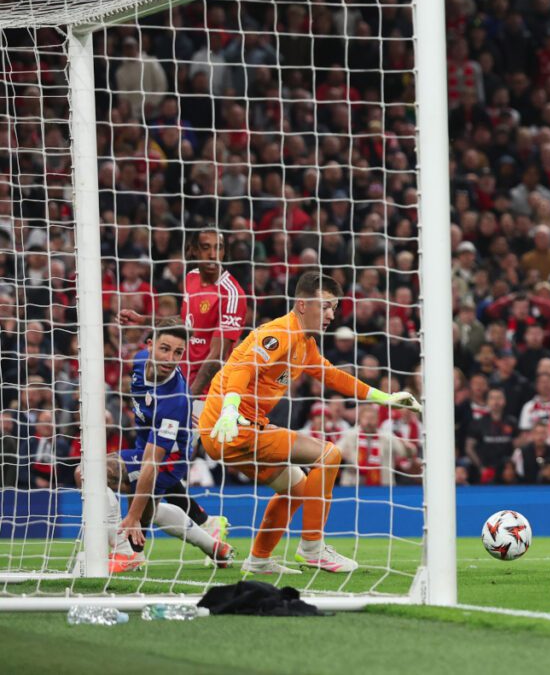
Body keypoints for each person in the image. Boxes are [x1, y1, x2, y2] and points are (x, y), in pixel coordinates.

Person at [199, 272, 421, 576]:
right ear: (302, 304)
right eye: (325, 306)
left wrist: (385, 398)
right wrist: (230, 408)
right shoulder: (280, 333)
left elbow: (332, 376)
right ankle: (312, 548)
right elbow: (241, 368)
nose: (331, 314)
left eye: (334, 307)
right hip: (232, 426)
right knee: (329, 455)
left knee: (296, 488)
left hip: (241, 429)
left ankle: (260, 559)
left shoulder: (305, 343)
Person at [75, 319, 233, 573]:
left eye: (178, 353)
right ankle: (215, 547)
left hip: (167, 462)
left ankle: (126, 553)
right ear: (149, 346)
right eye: (165, 349)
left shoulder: (174, 400)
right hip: (144, 448)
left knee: (90, 472)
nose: (170, 358)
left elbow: (151, 465)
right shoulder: (138, 362)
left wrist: (134, 516)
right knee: (152, 507)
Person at [119, 227, 242, 542]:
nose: (212, 254)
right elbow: (182, 327)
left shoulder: (231, 293)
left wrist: (188, 397)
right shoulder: (190, 279)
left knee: (164, 460)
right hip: (177, 379)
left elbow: (217, 355)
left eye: (218, 247)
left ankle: (134, 539)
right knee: (157, 455)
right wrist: (144, 320)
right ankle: (204, 522)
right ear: (194, 251)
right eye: (205, 247)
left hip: (202, 390)